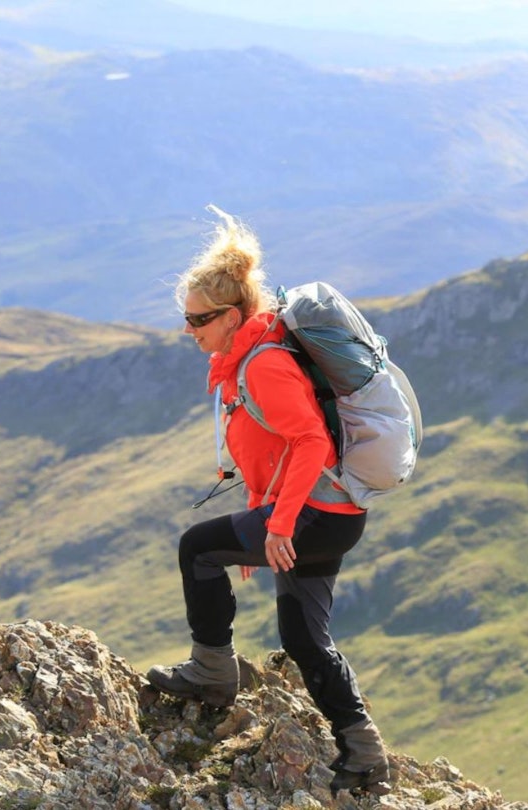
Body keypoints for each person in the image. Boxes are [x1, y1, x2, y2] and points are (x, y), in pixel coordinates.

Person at [147, 206, 391, 795]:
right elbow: (271, 452)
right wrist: (262, 518)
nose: (189, 330)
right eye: (185, 318)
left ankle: (211, 672)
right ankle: (364, 753)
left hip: (313, 515)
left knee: (198, 549)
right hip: (330, 516)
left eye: (198, 319)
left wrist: (276, 527)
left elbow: (308, 439)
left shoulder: (265, 365)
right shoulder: (244, 359)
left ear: (231, 317)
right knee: (304, 638)